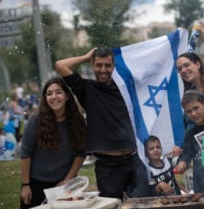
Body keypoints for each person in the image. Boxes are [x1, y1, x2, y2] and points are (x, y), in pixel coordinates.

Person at [55, 47, 150, 200]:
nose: (103, 70)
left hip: (134, 159)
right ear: (92, 65)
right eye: (98, 65)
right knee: (111, 205)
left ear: (113, 66)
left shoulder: (125, 88)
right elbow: (60, 65)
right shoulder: (86, 88)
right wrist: (86, 57)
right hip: (108, 166)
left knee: (144, 203)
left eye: (107, 65)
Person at [20, 77, 86, 209]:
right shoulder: (36, 120)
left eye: (58, 92)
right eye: (49, 94)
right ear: (45, 98)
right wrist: (26, 185)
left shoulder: (77, 120)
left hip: (64, 183)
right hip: (36, 185)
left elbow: (80, 153)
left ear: (67, 96)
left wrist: (67, 182)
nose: (54, 97)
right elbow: (25, 154)